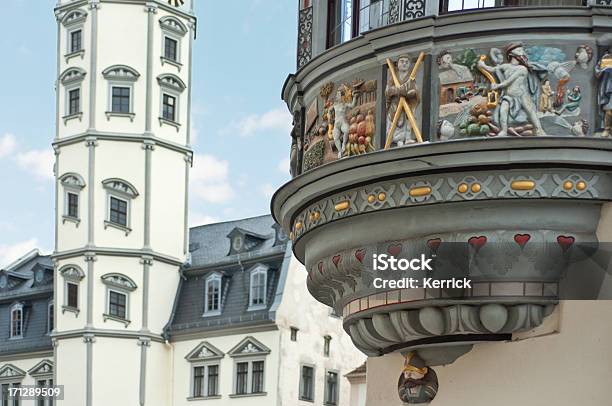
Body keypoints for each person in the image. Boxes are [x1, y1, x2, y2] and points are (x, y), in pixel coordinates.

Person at [477, 43, 546, 137]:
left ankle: (539, 129)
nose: (522, 53)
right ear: (512, 55)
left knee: (530, 111)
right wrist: (482, 65)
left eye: (522, 51)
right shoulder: (505, 66)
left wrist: (497, 86)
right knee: (503, 111)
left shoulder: (522, 69)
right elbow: (492, 69)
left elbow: (509, 81)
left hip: (522, 95)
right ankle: (504, 131)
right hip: (509, 95)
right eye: (519, 51)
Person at [386, 55, 420, 146]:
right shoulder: (393, 76)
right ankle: (397, 140)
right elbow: (388, 91)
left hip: (407, 104)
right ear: (397, 64)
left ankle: (407, 138)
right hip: (395, 106)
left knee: (409, 119)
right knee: (396, 121)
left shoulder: (411, 77)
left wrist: (411, 93)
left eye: (406, 62)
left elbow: (415, 90)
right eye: (402, 61)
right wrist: (398, 91)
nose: (404, 63)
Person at [595, 50, 612, 137]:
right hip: (608, 87)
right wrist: (603, 69)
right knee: (609, 110)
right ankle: (607, 129)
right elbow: (597, 73)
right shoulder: (606, 58)